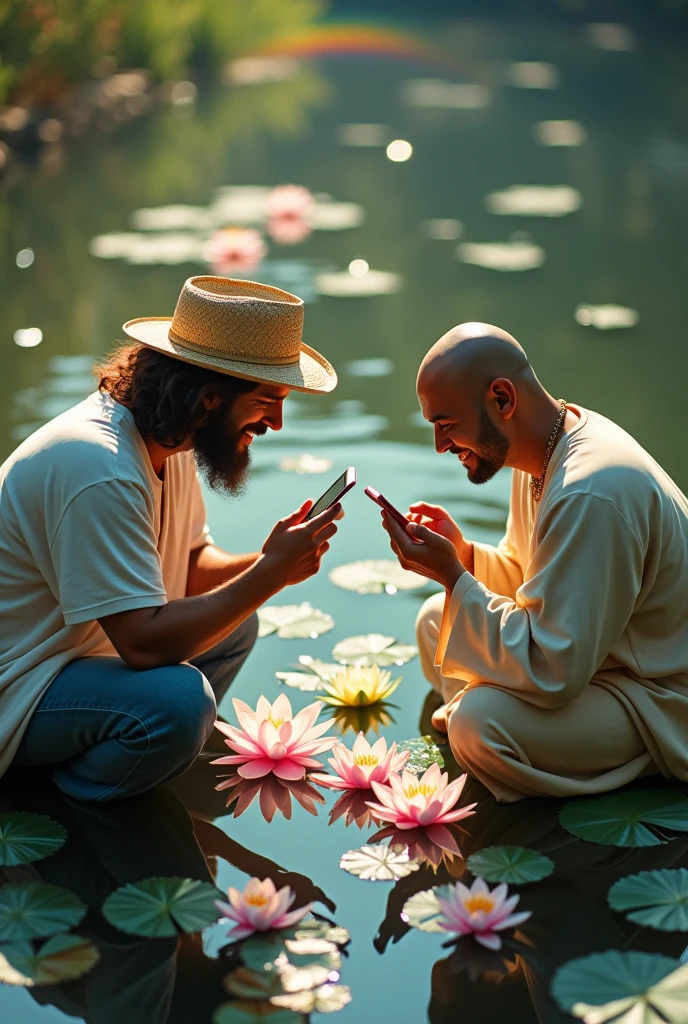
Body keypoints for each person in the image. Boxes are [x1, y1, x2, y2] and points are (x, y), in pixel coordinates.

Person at [0, 276, 340, 802]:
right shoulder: (101, 465)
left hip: (77, 662)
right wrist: (271, 575)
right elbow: (141, 644)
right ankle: (68, 798)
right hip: (18, 689)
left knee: (235, 623)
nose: (276, 421)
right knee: (179, 705)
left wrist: (274, 558)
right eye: (268, 400)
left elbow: (189, 565)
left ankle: (136, 760)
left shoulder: (167, 442)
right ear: (208, 398)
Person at [380, 322, 688, 802]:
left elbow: (554, 668)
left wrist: (451, 575)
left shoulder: (590, 489)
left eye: (445, 425)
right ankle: (531, 733)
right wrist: (464, 557)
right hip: (597, 661)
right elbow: (531, 577)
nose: (440, 446)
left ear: (502, 399)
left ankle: (640, 762)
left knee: (477, 725)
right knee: (434, 622)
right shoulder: (542, 453)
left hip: (657, 696)